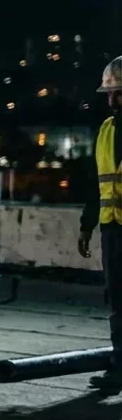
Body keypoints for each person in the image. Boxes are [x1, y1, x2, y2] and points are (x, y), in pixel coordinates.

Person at [80, 56, 122, 391]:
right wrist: (87, 224)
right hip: (112, 228)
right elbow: (96, 185)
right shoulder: (106, 131)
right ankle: (120, 364)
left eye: (117, 93)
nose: (111, 99)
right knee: (117, 299)